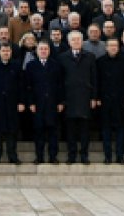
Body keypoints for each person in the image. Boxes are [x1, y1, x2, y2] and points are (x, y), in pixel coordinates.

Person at [23, 41, 64, 164]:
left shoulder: (56, 65)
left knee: (53, 132)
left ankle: (53, 157)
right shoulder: (31, 65)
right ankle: (39, 156)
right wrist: (30, 103)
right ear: (37, 50)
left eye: (46, 49)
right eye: (41, 49)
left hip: (52, 103)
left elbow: (60, 85)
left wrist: (61, 102)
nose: (43, 51)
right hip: (37, 104)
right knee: (39, 132)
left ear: (49, 50)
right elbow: (28, 86)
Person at [60, 31, 97, 164]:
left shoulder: (90, 57)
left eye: (78, 40)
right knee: (70, 130)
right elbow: (60, 80)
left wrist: (94, 98)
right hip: (69, 98)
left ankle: (84, 155)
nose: (76, 42)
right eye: (73, 40)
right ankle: (72, 155)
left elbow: (94, 78)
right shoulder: (62, 57)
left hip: (85, 97)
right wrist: (61, 100)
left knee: (84, 130)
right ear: (69, 42)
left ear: (82, 41)